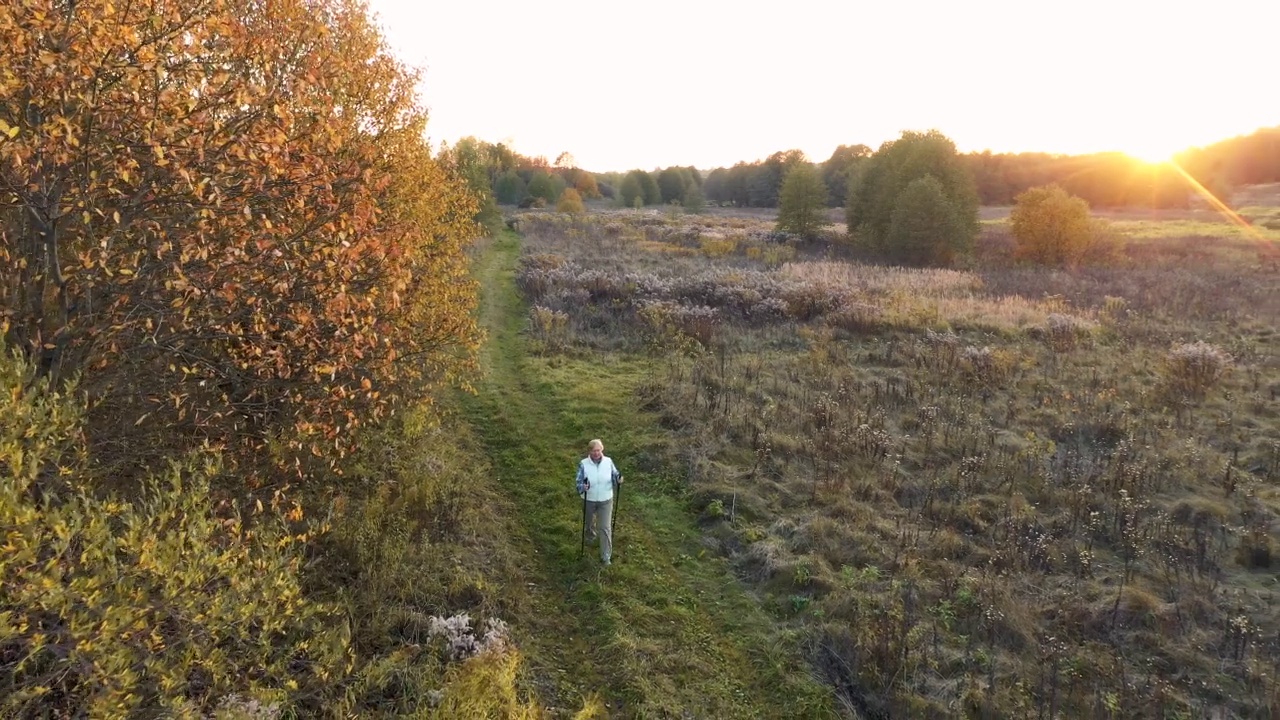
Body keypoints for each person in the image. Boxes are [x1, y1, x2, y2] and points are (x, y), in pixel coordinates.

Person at [575, 438, 622, 565]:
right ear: (589, 451)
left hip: (606, 499)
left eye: (599, 450)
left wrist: (618, 479)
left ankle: (606, 556)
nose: (596, 453)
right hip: (588, 499)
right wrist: (582, 487)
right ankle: (590, 536)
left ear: (602, 450)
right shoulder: (583, 464)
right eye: (594, 450)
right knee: (589, 522)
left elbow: (615, 474)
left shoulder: (608, 462)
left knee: (605, 528)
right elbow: (578, 482)